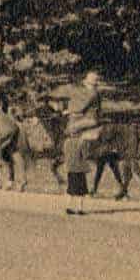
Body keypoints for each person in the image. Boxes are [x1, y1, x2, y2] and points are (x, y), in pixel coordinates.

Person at [54, 71, 106, 215]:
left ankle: (71, 147)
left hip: (92, 119)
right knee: (72, 122)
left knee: (70, 127)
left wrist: (68, 112)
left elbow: (80, 106)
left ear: (91, 84)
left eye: (88, 83)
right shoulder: (91, 93)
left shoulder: (92, 94)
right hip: (87, 116)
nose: (86, 85)